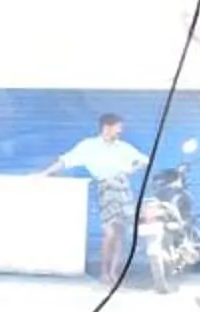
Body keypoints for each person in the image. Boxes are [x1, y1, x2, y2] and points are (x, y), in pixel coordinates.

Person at [43, 112, 148, 286]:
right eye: (118, 127)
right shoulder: (89, 146)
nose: (120, 131)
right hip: (106, 188)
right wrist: (44, 173)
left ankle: (114, 273)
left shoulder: (123, 147)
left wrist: (131, 169)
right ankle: (104, 272)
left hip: (123, 188)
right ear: (107, 127)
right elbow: (66, 160)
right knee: (109, 232)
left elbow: (144, 160)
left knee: (120, 233)